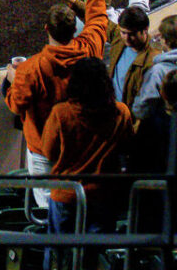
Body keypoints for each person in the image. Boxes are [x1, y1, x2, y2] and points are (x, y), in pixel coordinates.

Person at [6, 0, 111, 207]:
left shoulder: (31, 69)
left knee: (48, 210)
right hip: (84, 143)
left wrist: (12, 80)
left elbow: (16, 105)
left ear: (46, 29)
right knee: (82, 204)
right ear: (74, 29)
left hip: (44, 151)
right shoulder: (89, 48)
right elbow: (98, 18)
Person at [41, 57, 134, 263]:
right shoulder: (121, 112)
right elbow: (127, 147)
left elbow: (48, 151)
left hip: (66, 193)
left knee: (58, 254)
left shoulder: (61, 113)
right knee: (94, 257)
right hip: (104, 194)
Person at [130, 16, 177, 120]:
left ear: (167, 41)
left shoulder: (158, 71)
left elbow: (142, 109)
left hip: (167, 124)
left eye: (162, 36)